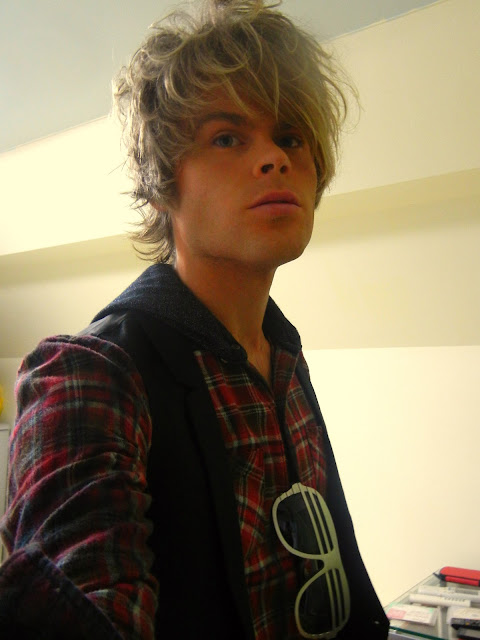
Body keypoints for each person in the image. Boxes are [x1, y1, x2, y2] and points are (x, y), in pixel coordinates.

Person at [0, 0, 389, 638]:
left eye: (290, 137)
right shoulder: (89, 374)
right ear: (162, 183)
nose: (274, 158)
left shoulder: (281, 354)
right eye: (227, 138)